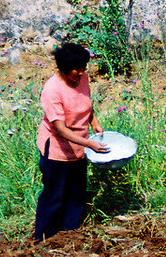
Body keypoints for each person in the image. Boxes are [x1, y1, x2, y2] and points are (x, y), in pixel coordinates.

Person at [33, 42, 109, 242]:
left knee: (76, 193)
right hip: (57, 150)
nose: (80, 73)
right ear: (63, 68)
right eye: (76, 69)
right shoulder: (52, 89)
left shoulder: (83, 79)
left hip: (79, 148)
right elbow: (60, 128)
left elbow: (87, 105)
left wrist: (95, 123)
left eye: (83, 68)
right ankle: (44, 237)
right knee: (55, 195)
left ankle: (70, 234)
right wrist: (90, 144)